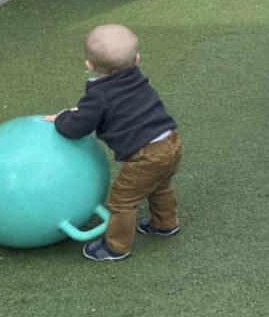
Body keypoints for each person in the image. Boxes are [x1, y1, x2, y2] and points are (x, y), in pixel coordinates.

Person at [45, 24, 182, 262]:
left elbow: (77, 128)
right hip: (170, 142)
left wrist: (62, 118)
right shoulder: (136, 78)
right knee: (159, 185)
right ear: (137, 59)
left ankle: (116, 247)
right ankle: (165, 224)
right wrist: (84, 112)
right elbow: (119, 107)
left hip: (146, 156)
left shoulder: (98, 95)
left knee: (121, 201)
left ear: (90, 65)